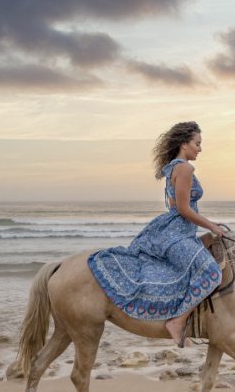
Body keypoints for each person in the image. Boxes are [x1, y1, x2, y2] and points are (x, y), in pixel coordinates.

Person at [88, 121, 226, 347]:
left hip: (176, 232)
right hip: (177, 236)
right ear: (184, 143)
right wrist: (211, 225)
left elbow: (174, 206)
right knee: (212, 274)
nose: (200, 149)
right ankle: (178, 321)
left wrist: (205, 227)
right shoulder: (185, 168)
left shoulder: (172, 167)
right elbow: (182, 209)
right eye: (197, 144)